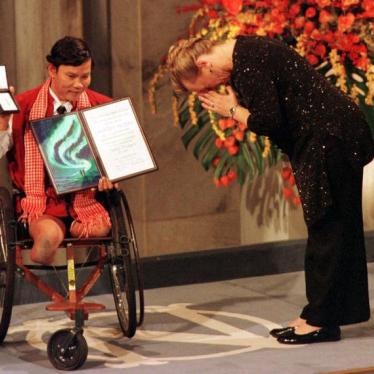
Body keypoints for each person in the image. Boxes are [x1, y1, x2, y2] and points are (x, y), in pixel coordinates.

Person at [166, 35, 374, 344]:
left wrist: (231, 110)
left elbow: (269, 121)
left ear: (204, 63)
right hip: (328, 136)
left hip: (329, 138)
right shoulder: (243, 55)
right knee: (332, 225)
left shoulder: (248, 62)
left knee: (327, 226)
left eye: (204, 86)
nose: (211, 92)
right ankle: (321, 314)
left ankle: (321, 320)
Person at [7, 36, 114, 265]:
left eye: (85, 76)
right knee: (49, 237)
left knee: (101, 227)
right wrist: (2, 122)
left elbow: (115, 156)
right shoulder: (23, 106)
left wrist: (112, 177)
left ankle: (71, 290)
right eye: (71, 76)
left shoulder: (100, 105)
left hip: (85, 200)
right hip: (42, 204)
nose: (79, 84)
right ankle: (46, 250)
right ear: (52, 70)